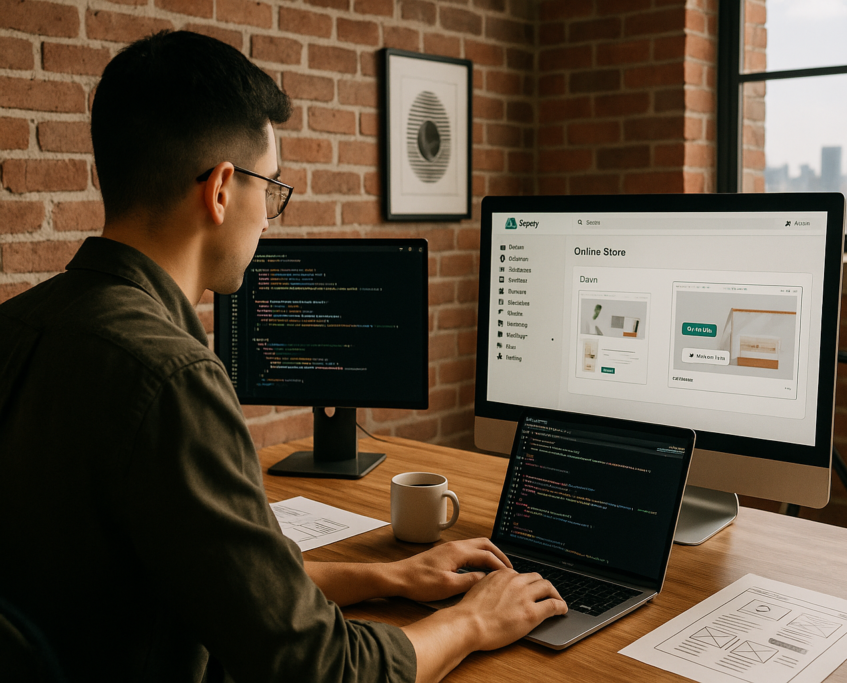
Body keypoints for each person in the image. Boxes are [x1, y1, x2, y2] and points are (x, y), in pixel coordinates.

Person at [0, 30, 565, 683]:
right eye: (270, 190)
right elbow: (319, 669)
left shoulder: (18, 326)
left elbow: (219, 576)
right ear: (219, 190)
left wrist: (393, 575)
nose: (270, 219)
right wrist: (470, 621)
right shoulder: (171, 379)